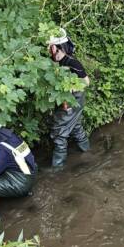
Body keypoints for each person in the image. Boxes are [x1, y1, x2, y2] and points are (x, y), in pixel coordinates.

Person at [48, 28, 91, 170]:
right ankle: (87, 151)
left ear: (58, 48)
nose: (50, 51)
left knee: (59, 130)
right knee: (75, 124)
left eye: (51, 48)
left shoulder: (73, 63)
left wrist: (69, 89)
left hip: (74, 99)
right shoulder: (54, 62)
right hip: (65, 99)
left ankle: (57, 168)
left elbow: (86, 82)